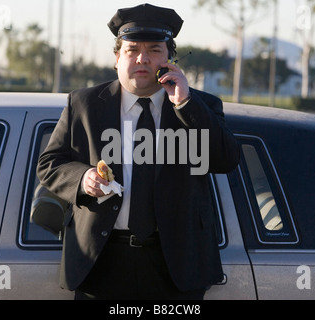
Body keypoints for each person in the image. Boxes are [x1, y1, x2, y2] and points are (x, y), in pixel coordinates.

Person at [37, 3, 240, 300]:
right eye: (132, 50)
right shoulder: (84, 105)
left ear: (170, 58)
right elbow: (50, 163)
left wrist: (185, 104)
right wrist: (83, 180)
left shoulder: (200, 106)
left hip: (176, 266)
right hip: (101, 262)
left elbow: (226, 159)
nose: (143, 58)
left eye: (155, 49)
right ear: (117, 58)